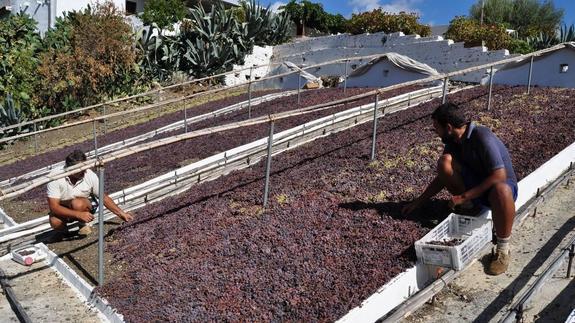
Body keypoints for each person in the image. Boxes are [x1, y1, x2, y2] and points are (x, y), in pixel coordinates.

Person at [402, 102, 518, 276]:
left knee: (501, 190)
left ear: (448, 127)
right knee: (444, 161)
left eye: (437, 128)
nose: (436, 133)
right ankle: (471, 207)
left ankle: (503, 248)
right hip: (477, 186)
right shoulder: (454, 142)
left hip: (501, 189)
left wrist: (463, 196)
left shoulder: (482, 136)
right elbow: (442, 176)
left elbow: (499, 176)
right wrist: (419, 201)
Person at [47, 149, 133, 236]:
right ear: (70, 169)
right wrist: (77, 214)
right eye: (80, 169)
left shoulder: (89, 175)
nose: (84, 171)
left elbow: (103, 197)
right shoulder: (55, 177)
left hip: (83, 206)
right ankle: (63, 233)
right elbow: (54, 207)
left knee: (78, 204)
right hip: (64, 207)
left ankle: (82, 224)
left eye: (84, 168)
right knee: (55, 221)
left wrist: (121, 213)